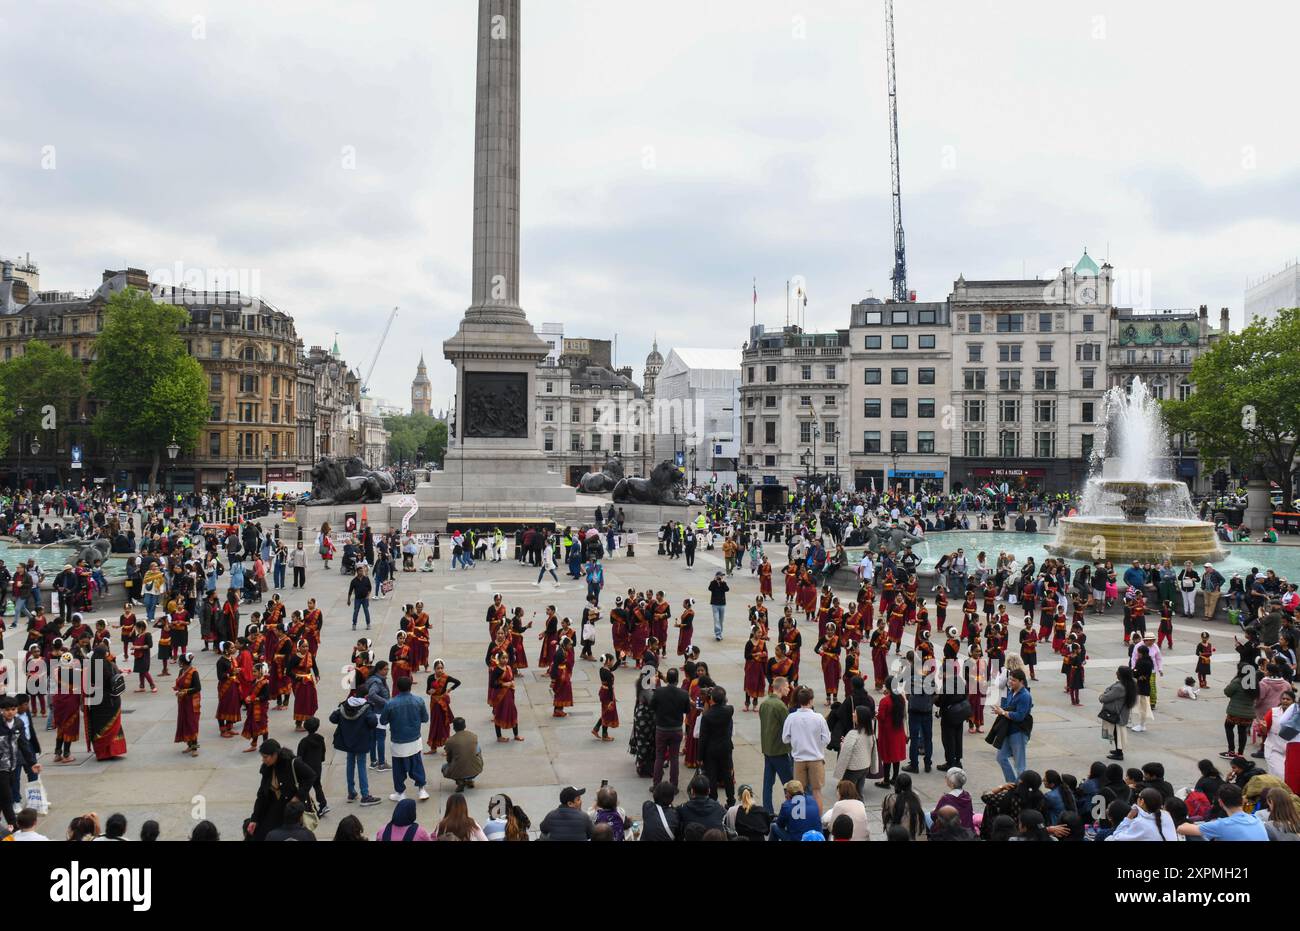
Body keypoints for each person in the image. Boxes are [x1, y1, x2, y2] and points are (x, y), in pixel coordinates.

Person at [247, 738, 319, 841]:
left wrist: (298, 796)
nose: (263, 760)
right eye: (262, 757)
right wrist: (254, 819)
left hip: (291, 809)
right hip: (274, 807)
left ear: (275, 754)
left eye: (265, 757)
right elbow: (262, 795)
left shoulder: (292, 763)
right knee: (262, 834)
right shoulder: (267, 768)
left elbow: (311, 776)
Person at [381, 675, 430, 802]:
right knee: (417, 765)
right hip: (414, 739)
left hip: (398, 741)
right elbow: (425, 718)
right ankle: (421, 789)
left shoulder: (390, 703)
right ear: (410, 686)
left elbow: (383, 720)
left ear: (397, 687)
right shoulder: (418, 701)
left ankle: (400, 792)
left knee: (398, 769)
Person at [781, 685, 831, 808]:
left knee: (798, 793)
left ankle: (800, 819)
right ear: (811, 700)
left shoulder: (791, 718)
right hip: (815, 759)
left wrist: (796, 741)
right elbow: (826, 739)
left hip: (799, 759)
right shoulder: (818, 718)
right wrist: (817, 745)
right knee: (817, 792)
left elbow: (785, 739)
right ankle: (817, 820)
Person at [329, 695, 380, 806]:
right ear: (365, 696)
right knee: (361, 766)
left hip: (347, 742)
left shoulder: (344, 706)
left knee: (350, 764)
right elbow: (373, 722)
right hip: (361, 742)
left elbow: (332, 718)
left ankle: (351, 792)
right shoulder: (366, 708)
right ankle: (365, 795)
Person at [1177, 783, 1268, 840]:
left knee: (1193, 836)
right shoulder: (1256, 819)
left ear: (1220, 802)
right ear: (1242, 800)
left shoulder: (1222, 824)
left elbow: (1181, 829)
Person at [648, 667, 690, 789]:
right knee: (674, 758)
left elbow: (652, 707)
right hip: (676, 729)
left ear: (667, 678)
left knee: (659, 757)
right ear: (677, 680)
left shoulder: (659, 692)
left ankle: (656, 785)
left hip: (661, 729)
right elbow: (687, 710)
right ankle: (674, 785)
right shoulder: (683, 694)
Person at [759, 676, 794, 812]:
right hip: (779, 750)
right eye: (786, 686)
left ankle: (768, 811)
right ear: (780, 688)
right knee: (790, 784)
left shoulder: (764, 703)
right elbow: (787, 727)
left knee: (768, 783)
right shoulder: (780, 706)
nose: (788, 689)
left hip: (767, 748)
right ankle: (793, 810)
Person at [698, 685, 736, 807]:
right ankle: (731, 800)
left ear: (711, 699)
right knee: (727, 775)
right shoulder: (729, 710)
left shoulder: (707, 716)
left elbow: (702, 738)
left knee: (712, 776)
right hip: (725, 748)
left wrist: (699, 756)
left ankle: (713, 799)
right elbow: (727, 705)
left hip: (711, 749)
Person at [993, 667, 1033, 782]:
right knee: (1000, 757)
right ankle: (1012, 783)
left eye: (1014, 680)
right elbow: (1006, 706)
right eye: (1010, 679)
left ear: (1021, 681)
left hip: (1018, 732)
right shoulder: (1011, 692)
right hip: (1008, 730)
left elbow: (1020, 716)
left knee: (1020, 765)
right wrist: (1000, 710)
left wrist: (1003, 712)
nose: (1010, 682)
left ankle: (1022, 788)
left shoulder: (1025, 696)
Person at [1098, 666, 1138, 761]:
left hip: (1116, 713)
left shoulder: (1119, 687)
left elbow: (1105, 697)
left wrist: (1102, 696)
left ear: (1121, 675)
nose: (1116, 673)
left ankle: (1119, 753)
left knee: (1117, 733)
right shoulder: (1130, 683)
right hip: (1123, 712)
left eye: (1117, 672)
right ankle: (1117, 750)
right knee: (1117, 732)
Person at [442, 717, 484, 792]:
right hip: (476, 769)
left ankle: (460, 781)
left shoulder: (450, 741)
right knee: (477, 749)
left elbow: (449, 759)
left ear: (454, 728)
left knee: (444, 767)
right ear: (465, 726)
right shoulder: (473, 736)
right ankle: (469, 780)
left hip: (458, 772)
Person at [708, 571, 729, 640]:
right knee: (716, 619)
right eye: (720, 576)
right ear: (717, 576)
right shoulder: (713, 583)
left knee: (721, 620)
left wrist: (722, 582)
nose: (721, 577)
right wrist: (715, 581)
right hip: (715, 604)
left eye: (722, 576)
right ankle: (718, 634)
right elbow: (710, 588)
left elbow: (727, 589)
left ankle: (720, 633)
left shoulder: (724, 583)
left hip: (722, 604)